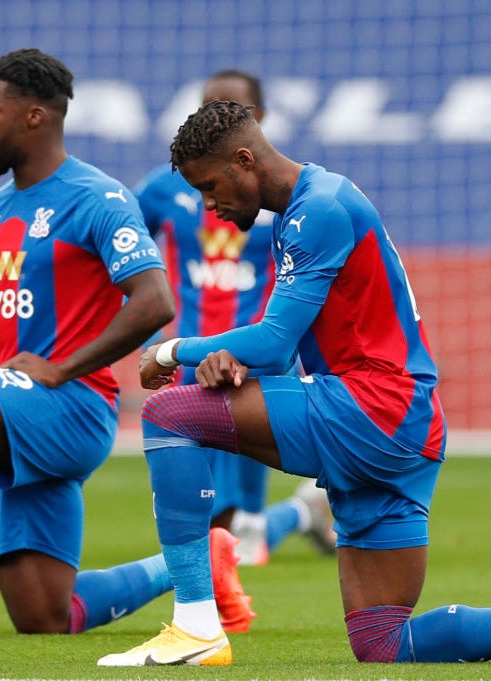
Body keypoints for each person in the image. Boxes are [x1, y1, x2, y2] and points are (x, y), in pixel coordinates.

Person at [96, 100, 491, 666]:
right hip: (406, 425)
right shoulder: (310, 206)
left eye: (211, 186)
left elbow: (273, 341)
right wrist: (229, 358)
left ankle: (196, 625)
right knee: (381, 642)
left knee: (170, 415)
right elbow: (279, 352)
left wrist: (172, 349)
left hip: (371, 408)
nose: (209, 205)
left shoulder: (316, 210)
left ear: (244, 160)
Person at [0, 48, 253, 640]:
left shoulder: (97, 198)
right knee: (46, 618)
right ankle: (197, 564)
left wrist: (60, 371)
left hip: (71, 406)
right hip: (14, 410)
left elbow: (155, 301)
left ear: (34, 117)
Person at [133, 69, 335, 581]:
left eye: (227, 108)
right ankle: (301, 512)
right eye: (202, 107)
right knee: (204, 514)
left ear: (259, 121)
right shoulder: (167, 189)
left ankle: (280, 520)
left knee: (240, 533)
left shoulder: (284, 198)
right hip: (192, 350)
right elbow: (125, 247)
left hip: (259, 356)